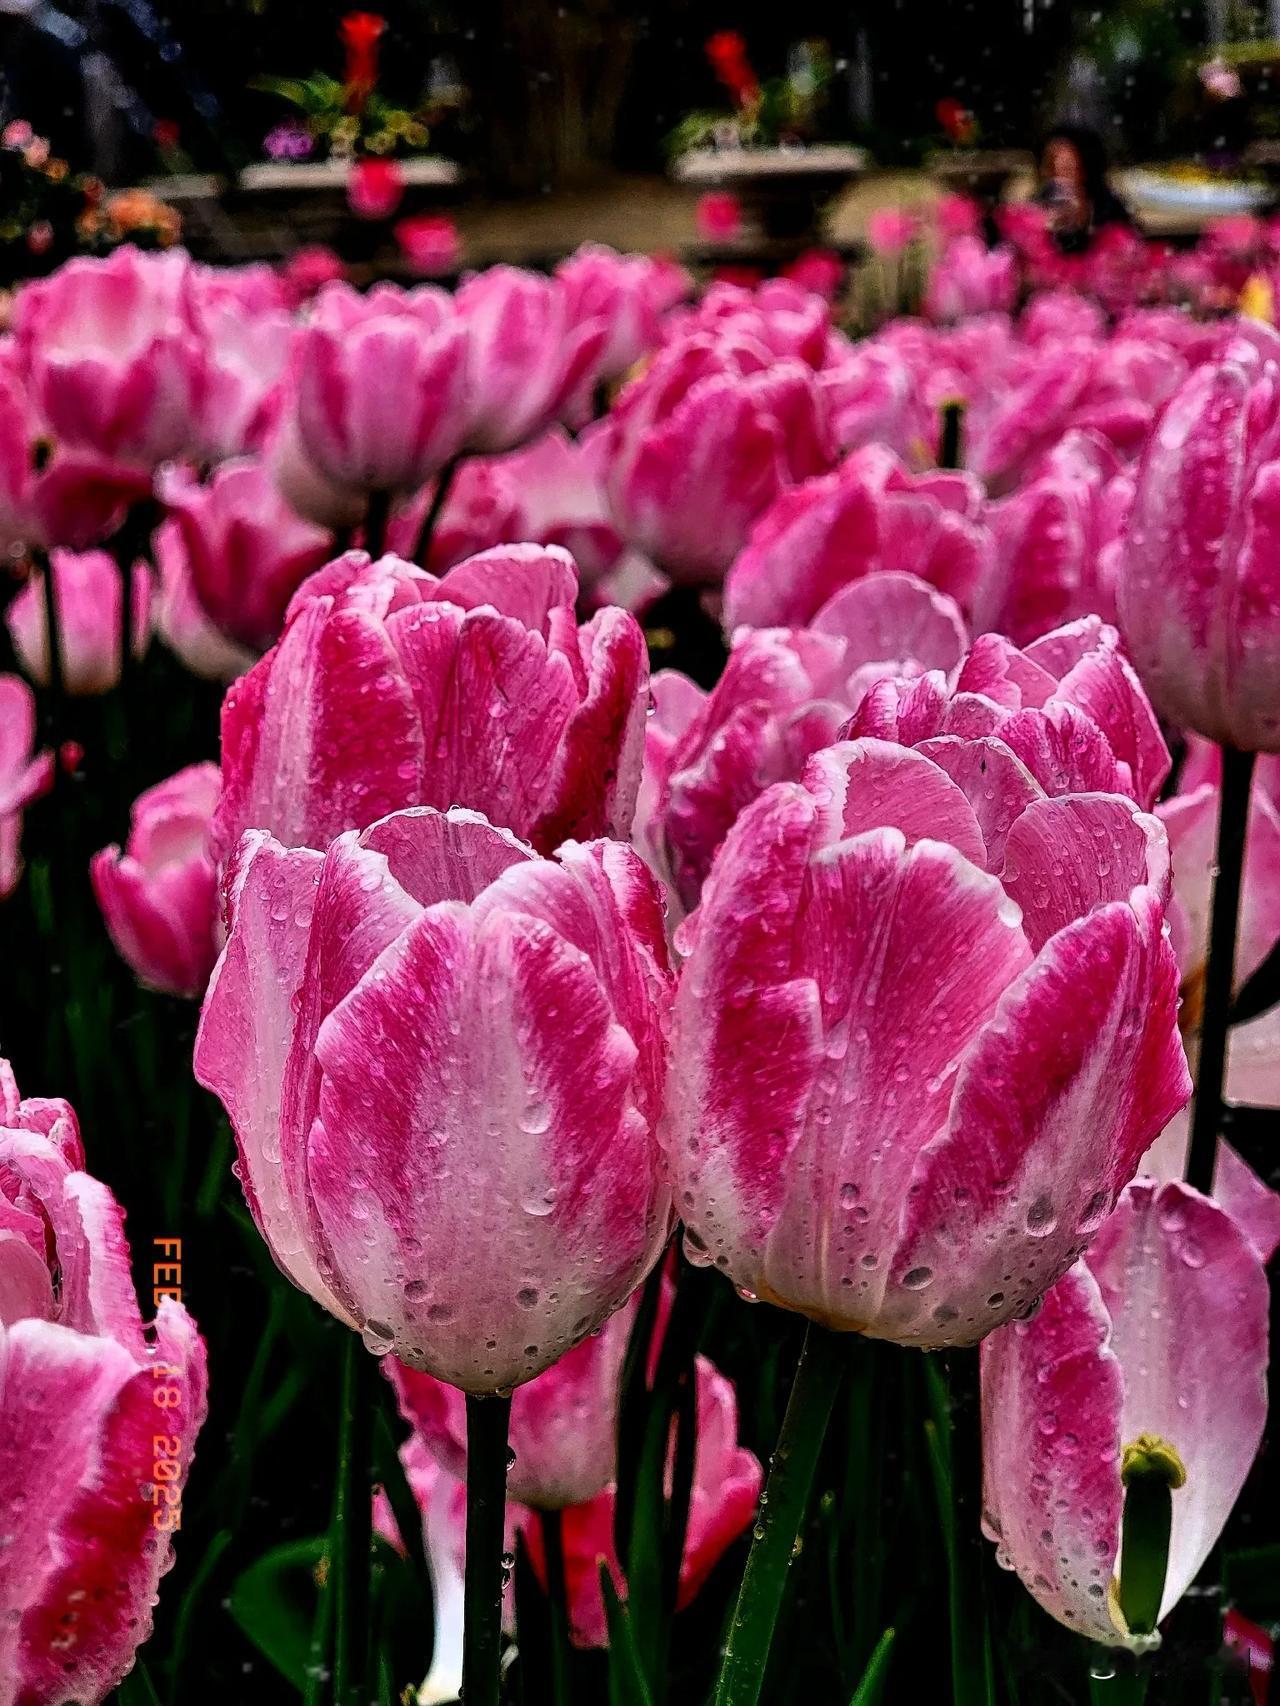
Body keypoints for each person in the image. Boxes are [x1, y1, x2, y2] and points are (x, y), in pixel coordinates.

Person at [1036, 123, 1132, 254]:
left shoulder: (1109, 210)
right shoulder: (1036, 210)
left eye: (1067, 168)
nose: (1057, 178)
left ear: (1085, 169)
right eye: (1050, 166)